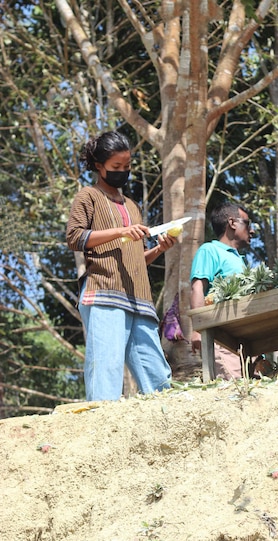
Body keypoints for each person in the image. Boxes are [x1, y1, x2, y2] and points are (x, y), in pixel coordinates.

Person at [67, 130, 175, 401]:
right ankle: (101, 433)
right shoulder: (87, 196)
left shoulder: (132, 206)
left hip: (139, 299)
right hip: (104, 293)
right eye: (116, 167)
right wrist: (120, 231)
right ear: (98, 165)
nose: (123, 172)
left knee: (158, 376)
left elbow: (136, 257)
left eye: (127, 167)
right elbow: (75, 237)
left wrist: (159, 249)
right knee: (106, 369)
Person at [190, 201, 254, 378]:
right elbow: (197, 288)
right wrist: (197, 329)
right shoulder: (210, 250)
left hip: (243, 338)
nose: (252, 230)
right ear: (232, 223)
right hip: (221, 338)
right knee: (231, 387)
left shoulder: (239, 260)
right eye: (247, 223)